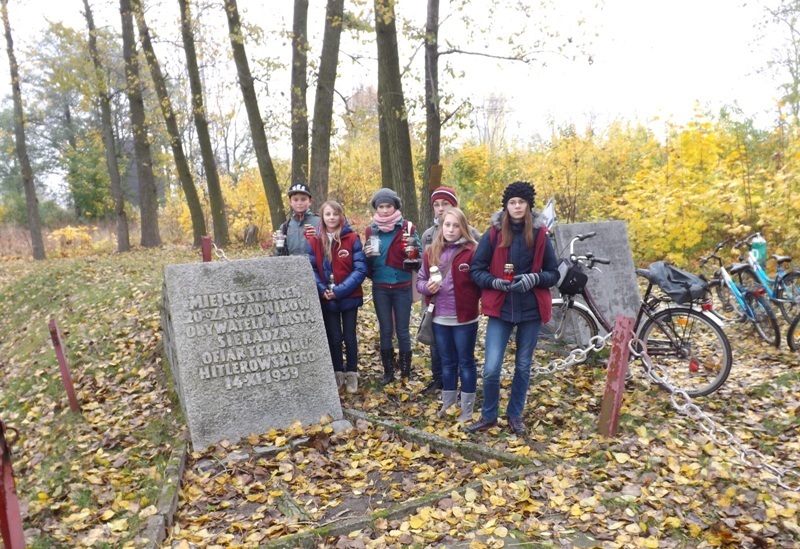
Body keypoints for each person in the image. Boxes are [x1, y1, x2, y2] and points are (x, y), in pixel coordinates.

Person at [465, 181, 559, 436]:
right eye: (512, 202)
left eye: (521, 202)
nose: (517, 206)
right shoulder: (493, 233)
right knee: (492, 367)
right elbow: (476, 270)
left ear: (529, 205)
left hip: (530, 309)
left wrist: (535, 278)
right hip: (500, 307)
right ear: (506, 206)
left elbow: (553, 273)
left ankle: (515, 415)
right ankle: (488, 416)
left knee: (523, 365)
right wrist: (494, 282)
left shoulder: (540, 234)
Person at [416, 208, 480, 422]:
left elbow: (481, 281)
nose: (451, 230)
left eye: (456, 225)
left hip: (465, 319)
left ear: (463, 227)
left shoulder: (473, 251)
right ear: (441, 227)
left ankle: (467, 409)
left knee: (466, 362)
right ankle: (448, 404)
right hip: (439, 318)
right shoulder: (430, 251)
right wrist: (427, 287)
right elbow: (420, 281)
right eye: (447, 225)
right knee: (447, 362)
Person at [364, 188, 422, 384]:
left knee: (403, 330)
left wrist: (412, 251)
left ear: (395, 206)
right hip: (380, 286)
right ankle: (388, 372)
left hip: (402, 285)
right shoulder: (371, 230)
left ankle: (405, 372)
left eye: (388, 206)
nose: (385, 210)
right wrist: (366, 254)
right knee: (386, 329)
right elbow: (364, 262)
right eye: (381, 206)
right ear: (376, 208)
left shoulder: (408, 228)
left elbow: (420, 258)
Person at [308, 201, 367, 393]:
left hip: (348, 295)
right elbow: (312, 269)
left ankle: (351, 373)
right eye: (328, 214)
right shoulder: (315, 241)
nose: (332, 217)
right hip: (327, 296)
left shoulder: (352, 239)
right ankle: (337, 372)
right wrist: (322, 289)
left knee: (349, 336)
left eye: (335, 214)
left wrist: (340, 290)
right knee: (334, 337)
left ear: (341, 216)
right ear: (322, 217)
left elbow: (360, 269)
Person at [274, 182, 320, 256]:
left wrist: (317, 238)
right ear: (290, 202)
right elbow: (281, 256)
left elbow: (329, 248)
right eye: (295, 200)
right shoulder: (285, 226)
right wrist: (279, 247)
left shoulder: (320, 222)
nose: (299, 203)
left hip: (314, 266)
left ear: (310, 201)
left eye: (303, 199)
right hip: (293, 266)